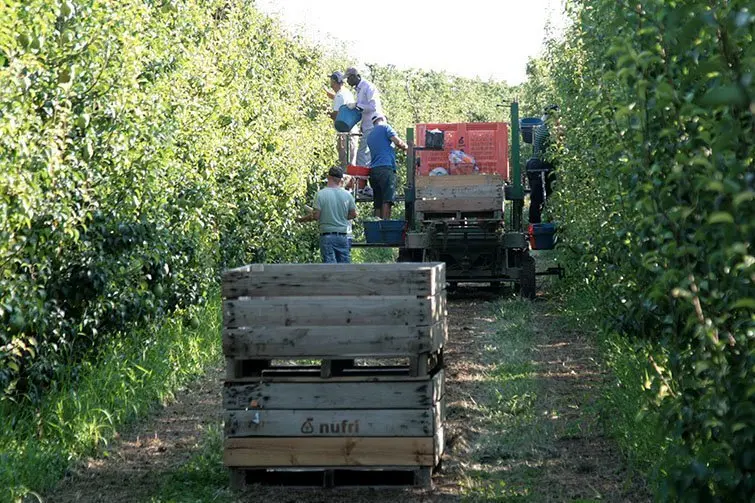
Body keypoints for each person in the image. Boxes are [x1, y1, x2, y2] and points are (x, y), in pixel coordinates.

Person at [297, 167, 357, 263]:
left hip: (327, 235)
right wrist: (341, 216)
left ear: (328, 177)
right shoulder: (347, 195)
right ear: (341, 180)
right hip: (343, 235)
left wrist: (300, 220)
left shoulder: (320, 194)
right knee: (344, 268)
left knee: (330, 267)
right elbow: (353, 214)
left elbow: (316, 216)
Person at [366, 114, 408, 219]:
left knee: (378, 202)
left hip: (373, 171)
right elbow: (398, 142)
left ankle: (376, 226)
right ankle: (385, 225)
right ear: (383, 119)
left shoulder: (370, 135)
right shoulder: (385, 127)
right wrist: (408, 148)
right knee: (387, 200)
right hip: (385, 169)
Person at [527, 104, 560, 224]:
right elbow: (556, 149)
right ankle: (541, 225)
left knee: (537, 199)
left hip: (534, 164)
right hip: (541, 165)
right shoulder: (549, 129)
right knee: (544, 197)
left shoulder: (542, 127)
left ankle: (535, 225)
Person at [344, 66, 383, 167]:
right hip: (366, 126)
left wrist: (357, 105)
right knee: (367, 155)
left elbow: (373, 107)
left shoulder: (367, 87)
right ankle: (366, 179)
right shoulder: (359, 89)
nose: (347, 81)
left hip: (373, 125)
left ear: (355, 76)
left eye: (349, 78)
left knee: (362, 154)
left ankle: (362, 180)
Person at [326, 71, 358, 168]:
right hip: (352, 131)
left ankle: (345, 182)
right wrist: (329, 95)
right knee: (351, 161)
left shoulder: (340, 96)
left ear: (334, 82)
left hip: (345, 133)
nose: (330, 84)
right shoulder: (346, 93)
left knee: (344, 161)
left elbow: (336, 116)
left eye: (331, 81)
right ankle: (351, 182)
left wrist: (325, 111)